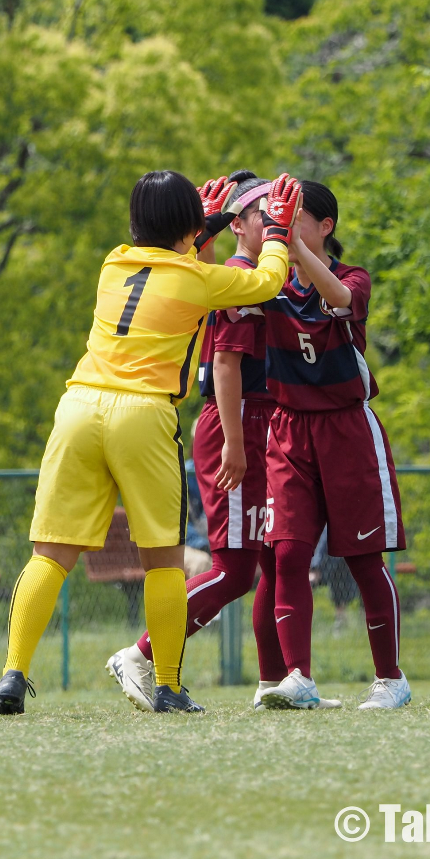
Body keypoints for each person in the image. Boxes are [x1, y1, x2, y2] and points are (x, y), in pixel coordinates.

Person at [0, 169, 300, 715]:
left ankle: (13, 673)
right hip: (144, 414)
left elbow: (168, 262)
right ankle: (167, 685)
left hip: (79, 406)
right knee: (162, 561)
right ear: (190, 226)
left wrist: (194, 231)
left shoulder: (114, 262)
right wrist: (275, 230)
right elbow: (268, 281)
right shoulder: (200, 280)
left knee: (50, 556)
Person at [105, 173, 290, 711]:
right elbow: (227, 366)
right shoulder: (234, 277)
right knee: (233, 570)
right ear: (239, 224)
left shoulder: (222, 271)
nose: (273, 222)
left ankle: (277, 681)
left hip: (255, 425)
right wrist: (236, 443)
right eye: (264, 214)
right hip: (234, 425)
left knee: (271, 561)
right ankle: (140, 654)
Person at [254, 179, 410, 711]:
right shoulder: (266, 282)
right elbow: (223, 285)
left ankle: (391, 679)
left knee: (365, 558)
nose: (282, 225)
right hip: (288, 428)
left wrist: (293, 246)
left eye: (295, 217)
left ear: (325, 227)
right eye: (278, 216)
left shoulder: (352, 277)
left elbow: (341, 300)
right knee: (290, 553)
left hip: (346, 430)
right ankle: (298, 677)